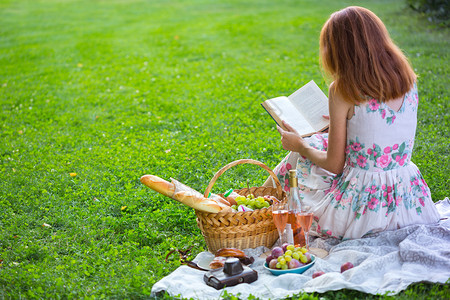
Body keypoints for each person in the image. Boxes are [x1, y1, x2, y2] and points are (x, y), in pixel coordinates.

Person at [266, 6, 440, 240]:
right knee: (318, 139)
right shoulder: (407, 79)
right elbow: (379, 128)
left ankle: (260, 204)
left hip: (362, 206)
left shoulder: (343, 89)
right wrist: (341, 124)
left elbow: (334, 165)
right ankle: (259, 201)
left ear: (340, 50)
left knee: (299, 156)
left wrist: (300, 146)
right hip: (408, 199)